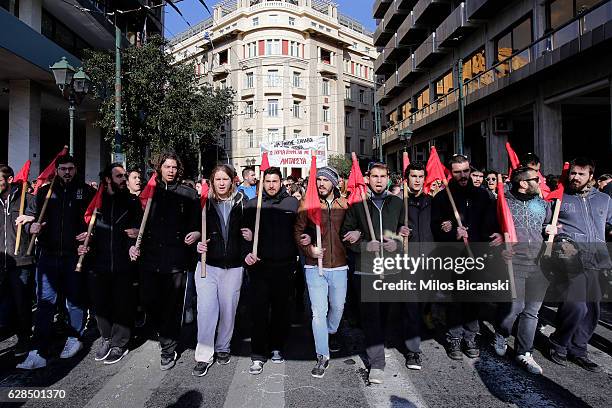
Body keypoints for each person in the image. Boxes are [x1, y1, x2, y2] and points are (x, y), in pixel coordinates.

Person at [18, 155, 95, 370]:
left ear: (76, 169)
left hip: (73, 255)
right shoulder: (44, 192)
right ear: (57, 170)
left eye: (71, 168)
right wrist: (30, 227)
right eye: (63, 169)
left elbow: (96, 220)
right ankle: (38, 348)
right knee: (45, 302)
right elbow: (30, 218)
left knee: (74, 299)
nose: (67, 172)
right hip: (48, 254)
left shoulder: (86, 192)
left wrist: (90, 236)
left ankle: (74, 337)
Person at [129, 152, 200, 371]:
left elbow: (197, 221)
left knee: (172, 306)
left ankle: (168, 349)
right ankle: (162, 331)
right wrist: (134, 243)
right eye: (167, 167)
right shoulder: (149, 193)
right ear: (160, 169)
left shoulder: (189, 194)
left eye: (174, 167)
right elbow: (137, 224)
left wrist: (196, 233)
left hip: (176, 258)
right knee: (149, 301)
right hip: (150, 258)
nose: (170, 170)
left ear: (179, 170)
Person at [430, 155, 501, 361]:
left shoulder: (483, 196)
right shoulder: (442, 198)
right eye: (457, 172)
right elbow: (436, 228)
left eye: (465, 171)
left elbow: (491, 224)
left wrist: (496, 234)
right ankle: (454, 338)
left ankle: (470, 337)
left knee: (473, 300)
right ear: (451, 173)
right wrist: (451, 231)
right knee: (455, 301)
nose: (462, 175)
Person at [340, 162, 404, 384]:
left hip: (392, 269)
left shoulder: (397, 203)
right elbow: (345, 236)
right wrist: (364, 245)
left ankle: (380, 343)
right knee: (371, 318)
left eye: (382, 176)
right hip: (366, 271)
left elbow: (404, 231)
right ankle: (376, 364)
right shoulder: (358, 204)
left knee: (388, 315)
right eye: (374, 176)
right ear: (367, 178)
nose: (378, 180)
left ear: (388, 178)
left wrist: (398, 244)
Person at [548, 157, 612, 372]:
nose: (575, 177)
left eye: (581, 174)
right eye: (573, 173)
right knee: (576, 305)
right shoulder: (559, 198)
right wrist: (554, 233)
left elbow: (609, 225)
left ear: (591, 177)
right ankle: (559, 342)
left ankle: (579, 349)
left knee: (592, 309)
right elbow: (547, 224)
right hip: (570, 257)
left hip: (597, 259)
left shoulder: (604, 199)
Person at [78, 163, 142, 364]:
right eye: (119, 176)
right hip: (98, 262)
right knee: (100, 303)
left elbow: (139, 226)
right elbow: (87, 228)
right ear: (107, 179)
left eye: (124, 176)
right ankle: (106, 337)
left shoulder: (132, 202)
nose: (123, 179)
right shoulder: (95, 202)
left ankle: (119, 344)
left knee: (123, 303)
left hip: (123, 262)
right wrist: (84, 243)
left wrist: (137, 236)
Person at [493, 166, 554, 375]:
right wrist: (500, 244)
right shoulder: (504, 203)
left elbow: (547, 225)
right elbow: (494, 231)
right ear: (523, 183)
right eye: (536, 178)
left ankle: (524, 352)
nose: (541, 181)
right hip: (514, 263)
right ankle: (501, 332)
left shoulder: (542, 203)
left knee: (532, 311)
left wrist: (551, 230)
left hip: (539, 263)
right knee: (515, 307)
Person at [192, 165, 252, 377]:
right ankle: (203, 355)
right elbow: (193, 229)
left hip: (234, 266)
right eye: (217, 179)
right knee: (206, 311)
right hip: (208, 266)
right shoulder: (202, 202)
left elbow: (251, 229)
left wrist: (250, 238)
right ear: (212, 181)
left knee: (228, 310)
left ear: (232, 180)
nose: (221, 182)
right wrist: (196, 244)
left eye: (225, 178)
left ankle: (223, 347)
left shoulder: (243, 203)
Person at [243, 167, 299, 375]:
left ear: (281, 182)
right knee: (258, 311)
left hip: (284, 266)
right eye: (268, 181)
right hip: (259, 266)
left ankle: (277, 346)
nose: (271, 185)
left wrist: (307, 238)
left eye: (275, 181)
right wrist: (246, 249)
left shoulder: (292, 203)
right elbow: (242, 236)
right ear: (262, 182)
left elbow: (301, 228)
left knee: (281, 310)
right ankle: (258, 354)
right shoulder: (252, 205)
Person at [294, 166, 348, 378]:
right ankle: (322, 355)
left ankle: (329, 332)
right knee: (318, 312)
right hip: (314, 266)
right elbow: (298, 231)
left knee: (338, 307)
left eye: (326, 180)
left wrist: (356, 233)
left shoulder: (344, 204)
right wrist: (309, 249)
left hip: (339, 265)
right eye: (318, 179)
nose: (321, 183)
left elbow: (355, 227)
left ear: (334, 183)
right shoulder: (307, 203)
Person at [397, 161, 434, 370]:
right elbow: (387, 231)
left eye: (420, 176)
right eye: (413, 176)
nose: (417, 180)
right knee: (411, 305)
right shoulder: (398, 202)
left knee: (420, 303)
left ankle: (421, 321)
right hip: (407, 261)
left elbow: (439, 225)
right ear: (407, 178)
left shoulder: (432, 202)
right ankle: (413, 351)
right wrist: (397, 231)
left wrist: (446, 225)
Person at [0, 166, 36, 357]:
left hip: (21, 261)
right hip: (2, 261)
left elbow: (39, 220)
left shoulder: (26, 199)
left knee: (22, 304)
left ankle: (24, 340)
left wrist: (32, 218)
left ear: (10, 179)